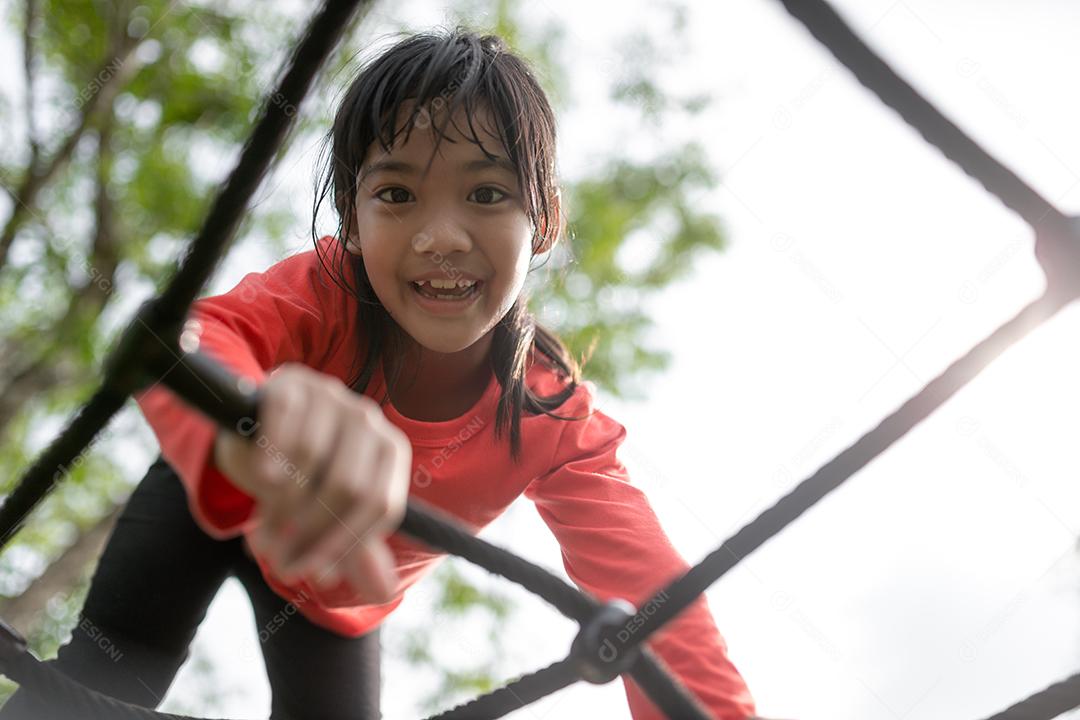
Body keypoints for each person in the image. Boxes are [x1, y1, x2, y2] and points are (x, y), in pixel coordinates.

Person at [1, 28, 757, 720]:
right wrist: (249, 414)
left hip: (335, 594)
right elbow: (191, 339)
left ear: (547, 220)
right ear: (353, 224)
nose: (440, 237)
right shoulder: (325, 291)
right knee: (85, 700)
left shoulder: (550, 419)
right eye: (396, 194)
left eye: (487, 193)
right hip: (207, 503)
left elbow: (659, 604)